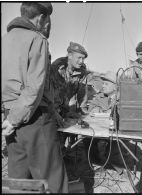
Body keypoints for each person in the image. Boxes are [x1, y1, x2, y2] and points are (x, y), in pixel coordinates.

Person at [2, 3, 68, 192]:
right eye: (47, 20)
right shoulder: (37, 39)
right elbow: (34, 87)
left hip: (10, 120)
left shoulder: (4, 40)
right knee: (52, 182)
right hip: (35, 118)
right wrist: (15, 119)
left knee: (19, 181)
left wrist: (9, 118)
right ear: (40, 18)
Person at [50, 41, 89, 119]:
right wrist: (54, 113)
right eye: (79, 58)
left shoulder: (82, 71)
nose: (81, 61)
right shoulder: (57, 68)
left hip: (66, 110)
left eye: (83, 58)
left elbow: (82, 93)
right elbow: (51, 95)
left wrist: (80, 111)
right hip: (51, 110)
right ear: (70, 56)